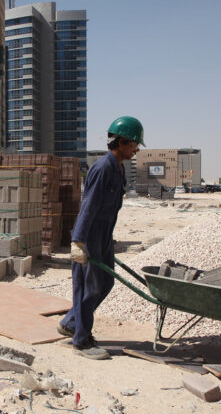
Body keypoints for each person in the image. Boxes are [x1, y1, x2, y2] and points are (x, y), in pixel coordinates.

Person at [58, 116, 144, 359]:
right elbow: (88, 206)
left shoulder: (118, 168)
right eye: (134, 145)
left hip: (105, 235)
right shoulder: (102, 168)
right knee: (87, 287)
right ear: (122, 142)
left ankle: (71, 322)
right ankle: (82, 340)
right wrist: (78, 241)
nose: (136, 149)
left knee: (105, 283)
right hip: (89, 236)